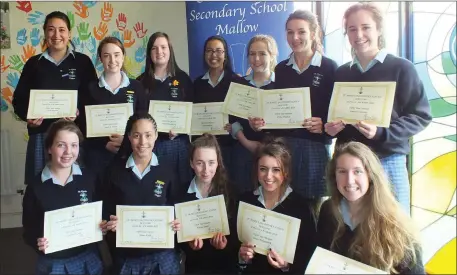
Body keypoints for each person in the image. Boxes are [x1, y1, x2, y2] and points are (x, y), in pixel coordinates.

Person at [323, 2, 432, 214]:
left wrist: (383, 132)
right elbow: (339, 117)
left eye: (366, 27)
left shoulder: (402, 68)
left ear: (379, 29)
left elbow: (421, 115)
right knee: (350, 226)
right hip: (350, 166)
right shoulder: (342, 73)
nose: (359, 34)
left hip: (387, 161)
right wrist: (333, 128)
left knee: (395, 229)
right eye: (352, 29)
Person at [248, 10, 338, 202]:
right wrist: (263, 123)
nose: (295, 37)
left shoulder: (329, 67)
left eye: (301, 32)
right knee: (286, 202)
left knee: (314, 206)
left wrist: (324, 125)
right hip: (285, 147)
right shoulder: (281, 69)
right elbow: (278, 109)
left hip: (315, 148)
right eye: (289, 32)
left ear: (313, 34)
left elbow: (337, 112)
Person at [12, 11, 98, 185]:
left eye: (62, 30)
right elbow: (19, 99)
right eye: (51, 29)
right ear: (45, 33)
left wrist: (78, 113)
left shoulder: (82, 62)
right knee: (40, 187)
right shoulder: (34, 63)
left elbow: (93, 99)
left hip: (73, 137)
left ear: (69, 34)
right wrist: (28, 117)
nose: (56, 35)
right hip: (41, 136)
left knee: (75, 188)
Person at [317, 141, 425, 274]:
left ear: (370, 176)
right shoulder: (328, 210)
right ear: (334, 177)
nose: (349, 180)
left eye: (357, 171)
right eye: (342, 171)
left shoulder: (397, 224)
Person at [100, 112, 181, 275]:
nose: (143, 142)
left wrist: (179, 222)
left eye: (148, 135)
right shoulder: (113, 171)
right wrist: (110, 222)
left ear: (156, 136)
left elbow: (177, 206)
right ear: (129, 137)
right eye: (137, 135)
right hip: (127, 256)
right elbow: (105, 209)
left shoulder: (168, 170)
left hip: (162, 255)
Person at [22, 120, 104, 275]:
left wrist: (103, 224)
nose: (68, 152)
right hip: (54, 263)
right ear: (49, 148)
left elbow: (100, 213)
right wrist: (37, 241)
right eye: (61, 145)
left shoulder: (90, 179)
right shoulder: (36, 187)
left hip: (88, 257)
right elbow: (29, 229)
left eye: (74, 145)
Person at [236, 137, 317, 274]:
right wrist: (242, 257)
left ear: (285, 172)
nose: (268, 176)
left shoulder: (302, 207)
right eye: (263, 169)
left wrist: (286, 266)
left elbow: (308, 256)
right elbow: (234, 250)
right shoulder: (245, 201)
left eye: (276, 170)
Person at [79, 36, 148, 176]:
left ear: (123, 56)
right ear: (100, 59)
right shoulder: (89, 89)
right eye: (106, 56)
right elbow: (82, 126)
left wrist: (126, 141)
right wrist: (104, 143)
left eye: (116, 55)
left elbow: (143, 121)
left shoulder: (136, 87)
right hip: (97, 158)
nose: (112, 60)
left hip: (129, 155)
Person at [136, 31, 194, 185]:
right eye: (154, 48)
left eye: (163, 47)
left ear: (170, 51)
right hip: (151, 146)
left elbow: (193, 113)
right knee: (156, 190)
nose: (159, 52)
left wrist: (180, 129)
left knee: (180, 188)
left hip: (179, 145)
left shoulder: (183, 79)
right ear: (149, 53)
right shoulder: (140, 82)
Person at [174, 133, 238, 274]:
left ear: (218, 162)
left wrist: (225, 245)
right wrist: (188, 245)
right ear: (191, 163)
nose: (206, 170)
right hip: (195, 268)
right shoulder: (180, 194)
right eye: (199, 163)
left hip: (225, 267)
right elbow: (176, 238)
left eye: (211, 162)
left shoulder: (232, 192)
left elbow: (239, 236)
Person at [227, 34, 278, 195]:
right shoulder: (238, 84)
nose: (256, 59)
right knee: (243, 197)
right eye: (252, 54)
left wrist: (266, 147)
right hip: (243, 152)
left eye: (262, 54)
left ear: (272, 56)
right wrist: (248, 143)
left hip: (274, 155)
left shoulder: (281, 85)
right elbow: (232, 120)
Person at [193, 35, 238, 177]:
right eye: (209, 51)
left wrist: (235, 125)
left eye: (219, 51)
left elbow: (243, 115)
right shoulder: (197, 84)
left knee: (229, 188)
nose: (214, 55)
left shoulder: (236, 81)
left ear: (225, 55)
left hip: (229, 148)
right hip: (204, 150)